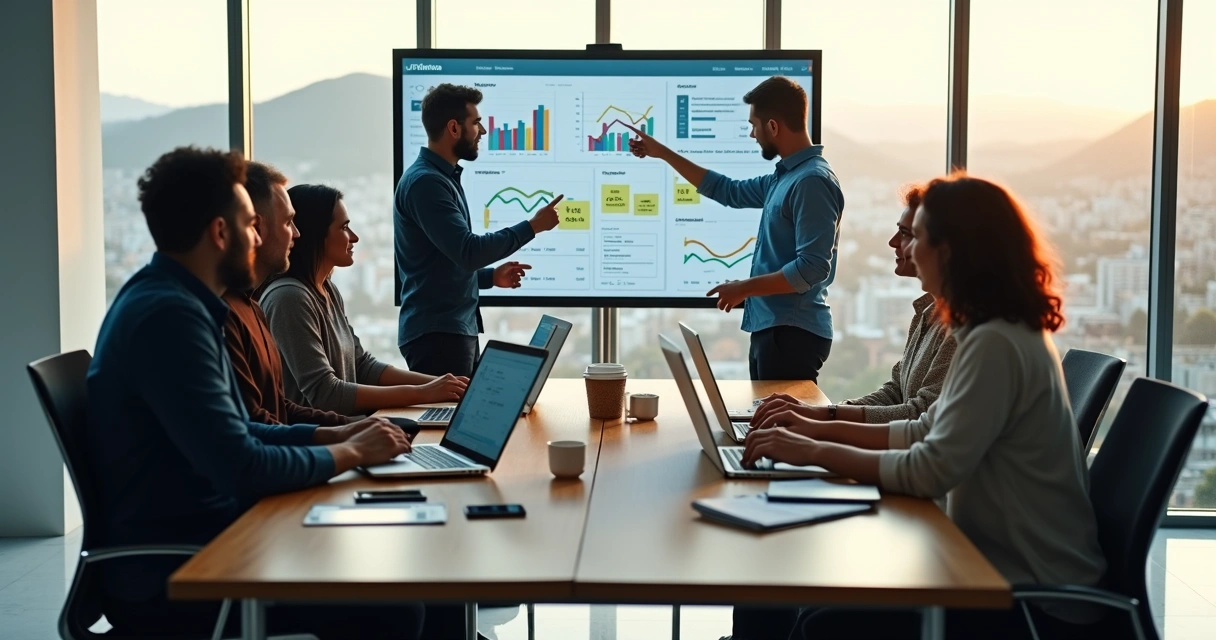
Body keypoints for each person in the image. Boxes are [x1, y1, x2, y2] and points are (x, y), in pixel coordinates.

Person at [743, 173, 1110, 639]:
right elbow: (921, 430)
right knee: (821, 606)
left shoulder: (995, 341)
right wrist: (815, 430)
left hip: (1031, 597)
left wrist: (813, 448)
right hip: (993, 566)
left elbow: (928, 468)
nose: (908, 248)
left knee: (823, 624)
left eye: (917, 237)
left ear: (950, 250)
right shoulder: (994, 329)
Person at [86, 146, 422, 638]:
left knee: (405, 578)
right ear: (220, 234)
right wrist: (350, 451)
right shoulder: (169, 319)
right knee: (396, 606)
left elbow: (246, 429)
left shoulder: (182, 304)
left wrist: (340, 440)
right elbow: (240, 463)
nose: (259, 235)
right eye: (250, 224)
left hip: (218, 536)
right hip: (187, 568)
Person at [627, 76, 844, 382]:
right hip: (775, 329)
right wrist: (662, 152)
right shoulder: (784, 178)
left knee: (776, 427)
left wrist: (745, 287)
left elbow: (812, 268)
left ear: (773, 126)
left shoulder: (811, 182)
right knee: (763, 424)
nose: (752, 134)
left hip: (792, 334)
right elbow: (726, 190)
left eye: (754, 125)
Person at [750, 184, 957, 428]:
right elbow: (896, 392)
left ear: (945, 247)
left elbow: (921, 416)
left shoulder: (960, 328)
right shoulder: (927, 311)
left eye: (906, 234)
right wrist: (822, 413)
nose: (893, 243)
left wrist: (824, 423)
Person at [395, 83, 563, 377]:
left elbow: (444, 264)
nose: (482, 131)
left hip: (450, 330)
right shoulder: (427, 183)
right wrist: (533, 226)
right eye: (476, 123)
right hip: (439, 335)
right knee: (451, 420)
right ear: (454, 128)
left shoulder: (440, 179)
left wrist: (489, 277)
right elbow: (469, 252)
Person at [261, 184, 468, 415]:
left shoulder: (326, 289)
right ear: (316, 234)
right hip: (324, 441)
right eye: (344, 227)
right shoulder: (288, 298)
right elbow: (325, 394)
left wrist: (445, 385)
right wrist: (424, 393)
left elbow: (362, 366)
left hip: (349, 433)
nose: (354, 237)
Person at [223, 161, 350, 426]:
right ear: (255, 228)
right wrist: (343, 444)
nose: (297, 233)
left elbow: (276, 407)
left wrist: (352, 429)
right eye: (289, 222)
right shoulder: (222, 314)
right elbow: (249, 432)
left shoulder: (251, 306)